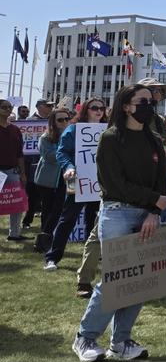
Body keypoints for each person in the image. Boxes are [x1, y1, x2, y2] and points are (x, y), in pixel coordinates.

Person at [71, 83, 166, 362]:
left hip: (146, 214)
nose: (149, 106)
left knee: (140, 280)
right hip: (117, 212)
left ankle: (121, 341)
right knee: (115, 279)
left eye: (151, 101)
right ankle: (85, 337)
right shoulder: (111, 138)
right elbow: (115, 183)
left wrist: (154, 211)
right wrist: (154, 199)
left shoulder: (152, 139)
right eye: (142, 101)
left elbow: (160, 179)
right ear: (126, 106)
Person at [46, 98, 106, 293]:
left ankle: (94, 257)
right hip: (78, 179)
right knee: (68, 218)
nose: (98, 111)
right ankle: (52, 257)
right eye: (94, 108)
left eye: (101, 108)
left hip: (100, 182)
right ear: (86, 110)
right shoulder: (74, 130)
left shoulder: (107, 130)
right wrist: (69, 168)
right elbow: (62, 153)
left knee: (97, 221)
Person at [37, 108, 72, 259]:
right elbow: (49, 156)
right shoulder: (46, 137)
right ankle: (43, 240)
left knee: (57, 209)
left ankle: (46, 236)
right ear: (53, 122)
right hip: (48, 178)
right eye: (60, 119)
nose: (64, 122)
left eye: (66, 119)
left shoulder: (72, 135)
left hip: (64, 178)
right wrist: (65, 151)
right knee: (47, 209)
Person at [0, 99, 27, 241]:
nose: (7, 109)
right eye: (4, 107)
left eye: (9, 107)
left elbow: (19, 154)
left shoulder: (15, 130)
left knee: (17, 203)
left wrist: (22, 173)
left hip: (12, 171)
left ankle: (14, 233)